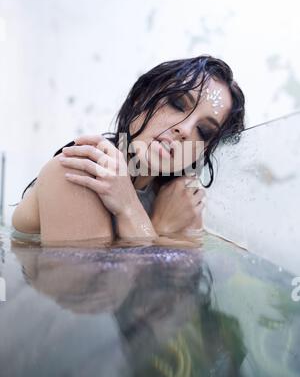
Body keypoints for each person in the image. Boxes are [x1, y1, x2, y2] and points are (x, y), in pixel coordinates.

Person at [11, 55, 245, 246]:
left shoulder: (180, 197)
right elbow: (88, 297)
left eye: (203, 131)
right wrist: (157, 226)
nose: (184, 129)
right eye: (176, 103)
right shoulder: (83, 170)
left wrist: (138, 216)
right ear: (139, 99)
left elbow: (182, 296)